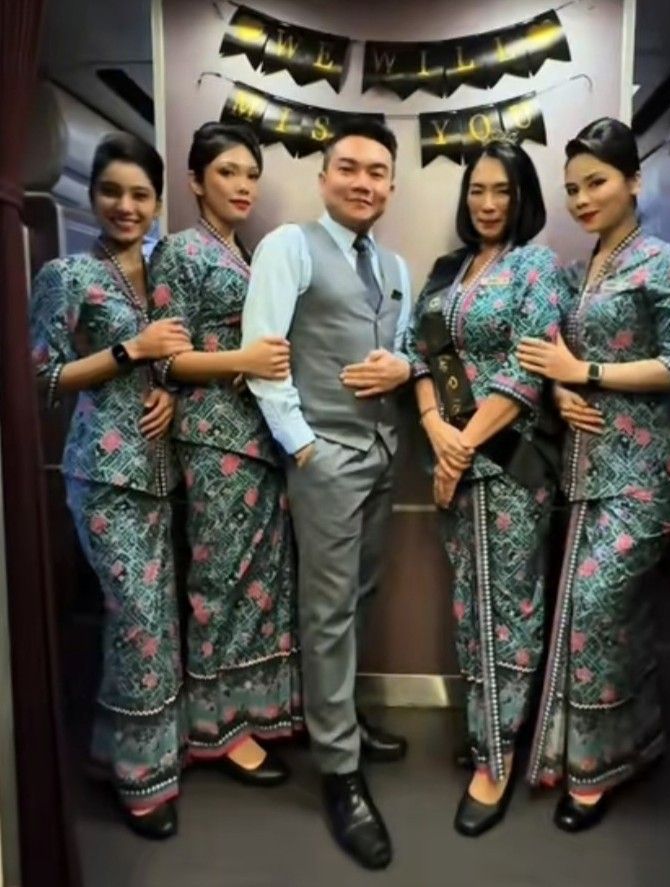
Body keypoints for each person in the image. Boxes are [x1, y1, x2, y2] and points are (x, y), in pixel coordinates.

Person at [516, 117, 670, 831]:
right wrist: (562, 390)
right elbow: (551, 351)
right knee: (609, 619)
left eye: (595, 182)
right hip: (582, 471)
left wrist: (586, 371)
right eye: (571, 188)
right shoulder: (577, 271)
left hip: (641, 475)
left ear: (632, 180)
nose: (582, 198)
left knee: (595, 610)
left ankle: (592, 772)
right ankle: (635, 741)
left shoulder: (666, 264)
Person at [241, 118, 411, 870]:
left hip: (382, 453)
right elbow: (263, 354)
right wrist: (301, 445)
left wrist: (403, 369)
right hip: (325, 458)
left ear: (391, 184)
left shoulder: (396, 264)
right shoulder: (287, 247)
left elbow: (401, 348)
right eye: (348, 168)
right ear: (323, 176)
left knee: (360, 596)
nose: (362, 182)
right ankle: (340, 772)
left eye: (377, 172)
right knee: (327, 611)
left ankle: (339, 719)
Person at [29, 133, 192, 838]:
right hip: (100, 473)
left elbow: (182, 363)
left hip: (161, 473)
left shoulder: (165, 273)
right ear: (94, 194)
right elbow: (41, 379)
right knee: (137, 622)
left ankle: (114, 751)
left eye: (140, 194)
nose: (126, 207)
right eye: (112, 192)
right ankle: (140, 782)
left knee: (153, 618)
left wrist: (172, 394)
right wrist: (130, 351)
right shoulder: (66, 276)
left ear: (158, 201)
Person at [406, 136, 567, 837]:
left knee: (508, 609)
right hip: (452, 456)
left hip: (509, 464)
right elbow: (421, 356)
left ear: (521, 195)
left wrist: (461, 446)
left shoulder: (537, 267)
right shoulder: (449, 268)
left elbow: (525, 371)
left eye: (502, 190)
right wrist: (435, 431)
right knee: (470, 608)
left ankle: (496, 760)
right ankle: (485, 734)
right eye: (477, 190)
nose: (488, 203)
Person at [149, 122, 302, 785]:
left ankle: (258, 710)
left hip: (258, 436)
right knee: (219, 582)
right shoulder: (180, 252)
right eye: (226, 173)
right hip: (211, 439)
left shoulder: (247, 253)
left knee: (263, 581)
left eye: (250, 174)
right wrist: (240, 359)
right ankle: (218, 727)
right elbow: (166, 358)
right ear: (194, 182)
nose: (242, 186)